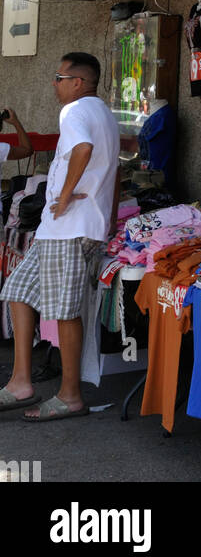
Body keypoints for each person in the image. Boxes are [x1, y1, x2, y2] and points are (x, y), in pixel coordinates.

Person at [0, 51, 120, 420]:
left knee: (66, 312)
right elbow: (112, 169)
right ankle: (20, 382)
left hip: (71, 227)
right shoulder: (103, 112)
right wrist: (110, 218)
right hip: (65, 228)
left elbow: (83, 149)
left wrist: (65, 196)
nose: (54, 83)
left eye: (58, 76)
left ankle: (70, 397)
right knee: (18, 291)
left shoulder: (75, 110)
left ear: (77, 82)